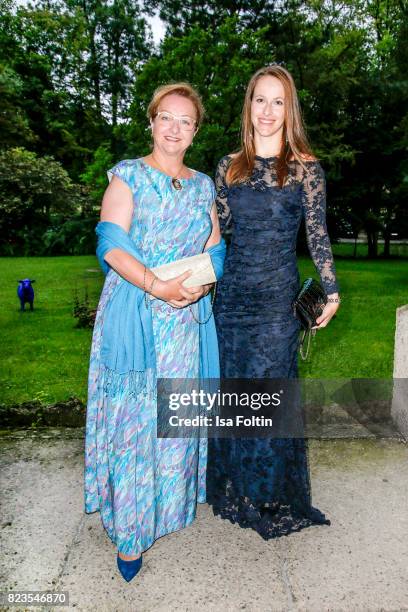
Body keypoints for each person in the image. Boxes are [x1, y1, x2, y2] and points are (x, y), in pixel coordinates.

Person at [84, 82, 225, 581]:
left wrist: (203, 284)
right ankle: (129, 534)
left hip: (185, 323)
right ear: (151, 121)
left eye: (185, 121)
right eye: (166, 116)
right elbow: (110, 244)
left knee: (173, 419)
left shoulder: (205, 185)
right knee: (132, 424)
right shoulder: (128, 176)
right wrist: (157, 285)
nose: (174, 127)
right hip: (136, 315)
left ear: (195, 131)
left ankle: (165, 510)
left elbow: (215, 245)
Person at [206, 64, 340, 539]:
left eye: (277, 101)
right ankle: (239, 484)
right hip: (232, 301)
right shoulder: (229, 166)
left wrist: (332, 288)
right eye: (260, 100)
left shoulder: (306, 168)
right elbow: (217, 237)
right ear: (249, 106)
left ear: (289, 109)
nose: (267, 110)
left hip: (277, 303)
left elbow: (317, 234)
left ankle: (268, 491)